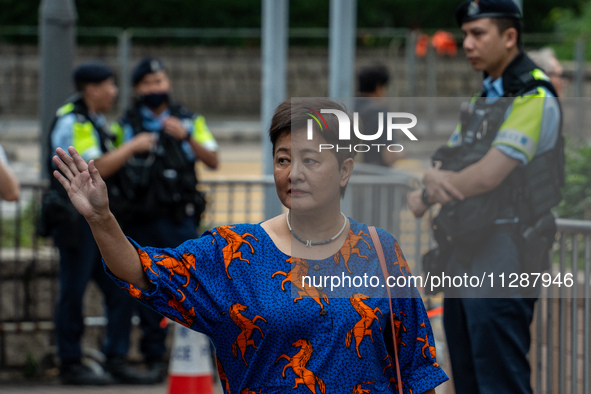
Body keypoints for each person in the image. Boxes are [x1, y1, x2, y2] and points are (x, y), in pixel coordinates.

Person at [53, 98, 448, 393]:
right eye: (283, 160)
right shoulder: (233, 253)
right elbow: (141, 270)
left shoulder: (380, 250)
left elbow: (418, 368)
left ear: (345, 170)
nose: (294, 174)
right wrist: (101, 218)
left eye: (311, 160)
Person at [408, 1, 563, 393]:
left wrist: (428, 190)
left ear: (510, 37)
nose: (467, 44)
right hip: (469, 247)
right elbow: (445, 159)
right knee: (467, 374)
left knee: (499, 379)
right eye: (465, 35)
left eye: (478, 34)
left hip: (505, 246)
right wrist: (432, 176)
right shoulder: (485, 99)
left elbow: (487, 175)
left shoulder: (533, 95)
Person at [108, 57, 219, 381]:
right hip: (139, 221)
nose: (156, 88)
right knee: (145, 293)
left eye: (160, 81)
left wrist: (186, 137)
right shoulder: (125, 124)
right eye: (148, 83)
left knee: (194, 289)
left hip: (179, 221)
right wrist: (132, 145)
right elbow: (104, 164)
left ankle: (204, 360)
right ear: (138, 89)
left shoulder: (189, 120)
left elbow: (213, 159)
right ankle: (154, 358)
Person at [47, 62, 158, 385]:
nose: (115, 92)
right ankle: (70, 362)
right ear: (91, 89)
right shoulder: (74, 120)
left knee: (121, 287)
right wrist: (132, 147)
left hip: (94, 220)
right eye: (109, 85)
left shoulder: (93, 120)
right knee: (73, 290)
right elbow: (94, 169)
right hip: (75, 220)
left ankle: (116, 357)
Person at [355, 64, 404, 167]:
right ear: (379, 87)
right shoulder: (381, 114)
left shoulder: (347, 109)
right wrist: (401, 153)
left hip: (350, 176)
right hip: (376, 176)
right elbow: (389, 156)